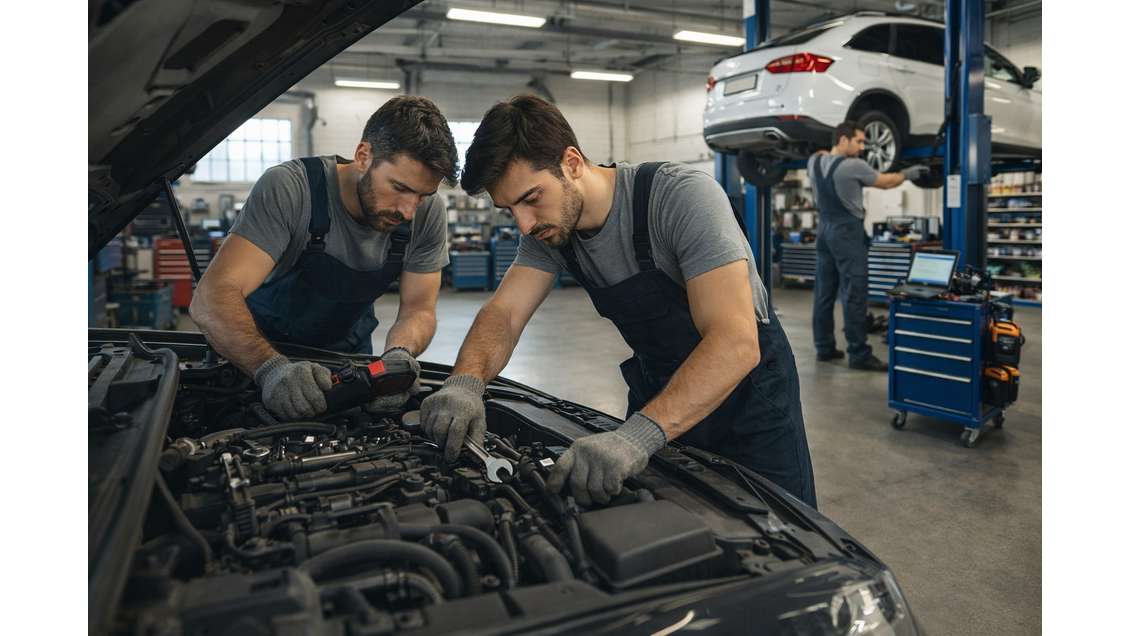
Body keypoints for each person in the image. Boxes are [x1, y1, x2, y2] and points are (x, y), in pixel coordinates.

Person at [419, 95, 817, 508]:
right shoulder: (552, 233)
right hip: (662, 392)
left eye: (531, 198)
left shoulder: (678, 198)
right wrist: (465, 382)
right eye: (509, 209)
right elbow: (504, 313)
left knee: (785, 535)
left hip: (751, 407)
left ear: (572, 163)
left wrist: (635, 437)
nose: (524, 223)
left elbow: (735, 342)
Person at [190, 96, 458, 420]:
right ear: (364, 156)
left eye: (423, 195)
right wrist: (270, 368)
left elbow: (419, 309)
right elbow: (212, 297)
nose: (408, 210)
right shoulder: (292, 189)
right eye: (399, 187)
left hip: (347, 361)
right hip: (252, 357)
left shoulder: (426, 213)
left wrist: (398, 355)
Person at [809, 121, 929, 371]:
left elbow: (822, 153)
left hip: (823, 231)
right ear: (843, 140)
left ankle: (824, 348)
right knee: (854, 293)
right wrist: (909, 174)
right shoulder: (854, 165)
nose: (863, 147)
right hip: (846, 233)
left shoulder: (814, 162)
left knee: (824, 293)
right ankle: (859, 354)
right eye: (859, 141)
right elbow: (886, 182)